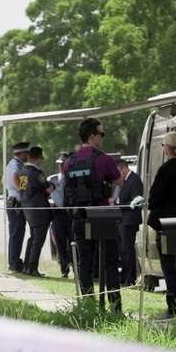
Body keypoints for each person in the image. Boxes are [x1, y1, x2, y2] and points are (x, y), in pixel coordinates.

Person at [62, 118, 124, 313]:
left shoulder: (69, 162)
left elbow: (67, 187)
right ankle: (115, 308)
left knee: (84, 264)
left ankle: (88, 307)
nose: (103, 138)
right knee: (110, 264)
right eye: (101, 134)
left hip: (79, 217)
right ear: (92, 136)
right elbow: (120, 181)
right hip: (102, 216)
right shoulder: (103, 159)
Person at [147, 131, 176, 318]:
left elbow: (154, 198)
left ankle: (173, 305)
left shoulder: (165, 170)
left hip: (166, 225)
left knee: (168, 266)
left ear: (167, 148)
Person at [20, 145, 53, 276]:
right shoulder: (37, 173)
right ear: (38, 159)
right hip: (39, 210)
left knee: (32, 238)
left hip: (27, 209)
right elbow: (47, 188)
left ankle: (26, 267)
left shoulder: (22, 172)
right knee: (38, 240)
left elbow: (22, 190)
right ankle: (32, 268)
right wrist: (51, 187)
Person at [116, 156, 144, 286]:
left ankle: (130, 277)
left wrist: (118, 204)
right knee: (124, 250)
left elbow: (136, 201)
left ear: (124, 168)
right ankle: (125, 276)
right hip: (124, 220)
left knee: (128, 250)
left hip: (129, 220)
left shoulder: (134, 180)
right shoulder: (127, 181)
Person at [4, 141, 30, 273]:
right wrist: (23, 188)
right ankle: (14, 263)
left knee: (17, 233)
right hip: (16, 202)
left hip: (13, 201)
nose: (28, 155)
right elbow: (15, 177)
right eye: (27, 153)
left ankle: (14, 261)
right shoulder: (16, 165)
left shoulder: (15, 164)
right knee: (16, 233)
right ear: (22, 153)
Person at [48, 152, 74, 278]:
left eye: (63, 164)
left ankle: (75, 267)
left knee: (73, 242)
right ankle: (64, 269)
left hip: (71, 214)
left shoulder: (73, 179)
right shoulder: (51, 179)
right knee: (60, 243)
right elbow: (45, 195)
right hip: (57, 214)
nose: (61, 166)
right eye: (59, 164)